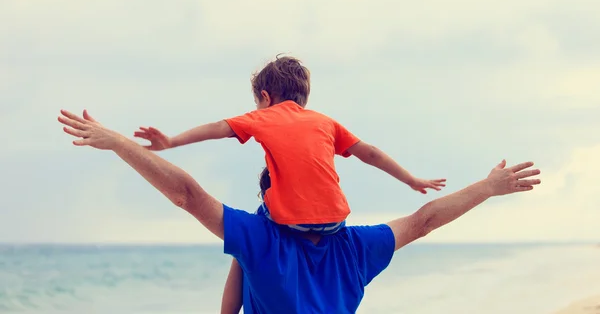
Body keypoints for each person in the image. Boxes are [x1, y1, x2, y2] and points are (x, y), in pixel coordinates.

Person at [58, 109, 541, 314]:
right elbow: (424, 219)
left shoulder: (258, 239)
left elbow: (187, 193)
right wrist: (487, 186)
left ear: (266, 198)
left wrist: (120, 143)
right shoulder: (356, 247)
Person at [132, 55, 445, 236]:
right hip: (335, 223)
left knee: (259, 207)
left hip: (291, 224)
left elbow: (217, 128)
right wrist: (411, 180)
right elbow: (371, 154)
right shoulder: (326, 122)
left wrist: (171, 141)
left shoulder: (262, 117)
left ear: (265, 98)